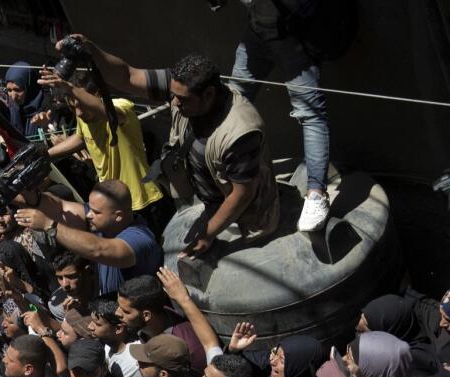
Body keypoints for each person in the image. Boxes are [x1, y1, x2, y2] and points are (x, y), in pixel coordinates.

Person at [72, 36, 279, 256]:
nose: (175, 103)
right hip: (209, 199)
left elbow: (242, 194)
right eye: (174, 96)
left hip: (245, 217)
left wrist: (208, 235)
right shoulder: (181, 88)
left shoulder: (240, 133)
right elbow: (128, 76)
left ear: (209, 95)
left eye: (183, 99)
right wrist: (91, 50)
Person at [227, 0, 332, 233]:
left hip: (293, 34)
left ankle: (316, 194)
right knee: (232, 104)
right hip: (257, 33)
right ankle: (237, 193)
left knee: (310, 114)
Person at [42, 67, 171, 232]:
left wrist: (70, 89)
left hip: (142, 203)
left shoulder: (120, 108)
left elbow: (112, 115)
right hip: (112, 206)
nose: (79, 113)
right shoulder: (84, 118)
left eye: (81, 104)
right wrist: (46, 154)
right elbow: (80, 138)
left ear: (97, 95)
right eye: (72, 107)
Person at [14, 179, 162, 296]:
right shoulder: (103, 223)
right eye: (89, 208)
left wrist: (50, 226)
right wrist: (29, 194)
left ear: (118, 216)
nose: (89, 215)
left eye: (96, 212)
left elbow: (99, 249)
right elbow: (60, 207)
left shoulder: (140, 237)